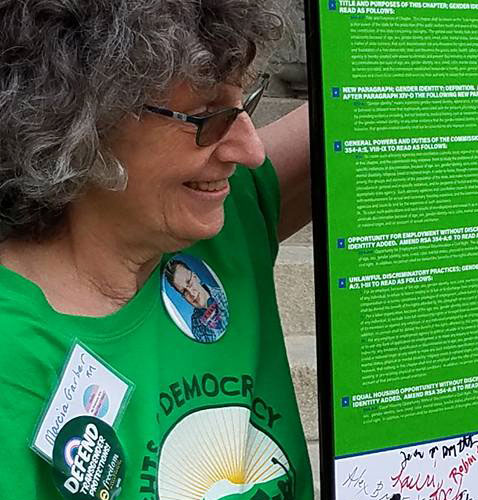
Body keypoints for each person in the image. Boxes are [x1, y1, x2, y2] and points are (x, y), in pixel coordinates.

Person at [0, 1, 313, 499]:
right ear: (82, 122)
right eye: (206, 118)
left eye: (245, 106)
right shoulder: (13, 361)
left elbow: (369, 96)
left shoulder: (220, 218)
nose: (250, 152)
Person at [164, 259, 229, 343]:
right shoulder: (196, 325)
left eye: (189, 282)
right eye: (184, 291)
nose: (191, 293)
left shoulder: (221, 295)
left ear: (196, 277)